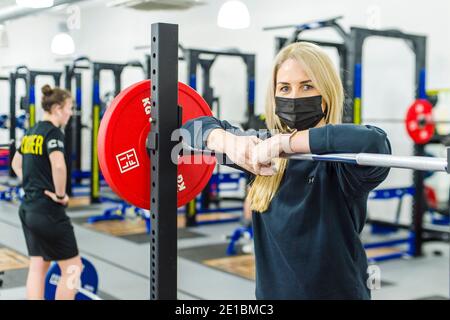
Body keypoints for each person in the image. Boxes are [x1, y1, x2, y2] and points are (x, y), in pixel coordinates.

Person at [182, 42, 391, 299]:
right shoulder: (259, 151)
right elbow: (190, 127)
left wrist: (286, 142)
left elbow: (375, 142)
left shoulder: (342, 162)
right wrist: (228, 142)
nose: (294, 97)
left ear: (327, 92)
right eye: (284, 88)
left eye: (307, 86)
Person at [12, 84, 82, 300]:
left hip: (28, 209)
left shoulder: (31, 131)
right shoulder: (53, 132)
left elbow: (16, 163)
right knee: (73, 268)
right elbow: (59, 166)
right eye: (69, 107)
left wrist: (33, 182)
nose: (71, 113)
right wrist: (60, 195)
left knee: (38, 266)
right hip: (48, 211)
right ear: (58, 108)